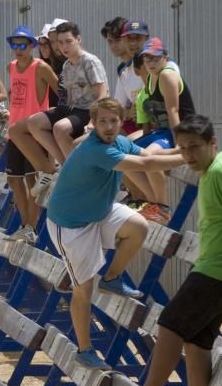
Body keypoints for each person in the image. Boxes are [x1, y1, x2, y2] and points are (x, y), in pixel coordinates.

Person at [105, 115, 222, 386]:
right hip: (215, 267)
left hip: (220, 271)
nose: (189, 155)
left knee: (170, 325)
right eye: (184, 148)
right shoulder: (209, 168)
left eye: (195, 147)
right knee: (196, 342)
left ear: (213, 145)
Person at [44, 98, 185, 370]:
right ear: (93, 124)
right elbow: (146, 166)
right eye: (103, 121)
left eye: (113, 121)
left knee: (138, 226)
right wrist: (193, 155)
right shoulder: (96, 150)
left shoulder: (119, 143)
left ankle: (112, 277)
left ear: (122, 122)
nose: (108, 126)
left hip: (100, 211)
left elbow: (146, 157)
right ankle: (84, 350)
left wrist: (183, 150)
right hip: (72, 224)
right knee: (83, 289)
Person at [18, 22, 109, 201]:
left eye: (68, 41)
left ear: (78, 39)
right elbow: (66, 97)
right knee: (33, 123)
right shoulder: (67, 65)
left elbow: (103, 93)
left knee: (60, 128)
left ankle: (76, 174)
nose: (64, 47)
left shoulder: (90, 61)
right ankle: (66, 167)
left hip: (87, 111)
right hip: (70, 108)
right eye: (60, 43)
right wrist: (55, 111)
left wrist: (93, 121)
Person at [131, 37, 196, 225]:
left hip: (182, 131)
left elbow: (173, 111)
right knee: (121, 152)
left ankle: (162, 206)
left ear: (165, 58)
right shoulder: (151, 77)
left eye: (155, 58)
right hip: (163, 131)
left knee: (151, 156)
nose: (150, 62)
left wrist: (179, 145)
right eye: (147, 59)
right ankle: (153, 204)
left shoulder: (167, 75)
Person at [2, 25, 56, 243]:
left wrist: (54, 119)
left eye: (22, 44)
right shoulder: (11, 67)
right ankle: (25, 226)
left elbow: (60, 90)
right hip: (14, 132)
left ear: (31, 46)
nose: (18, 48)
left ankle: (31, 228)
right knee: (14, 180)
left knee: (33, 181)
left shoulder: (40, 67)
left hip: (33, 133)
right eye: (14, 44)